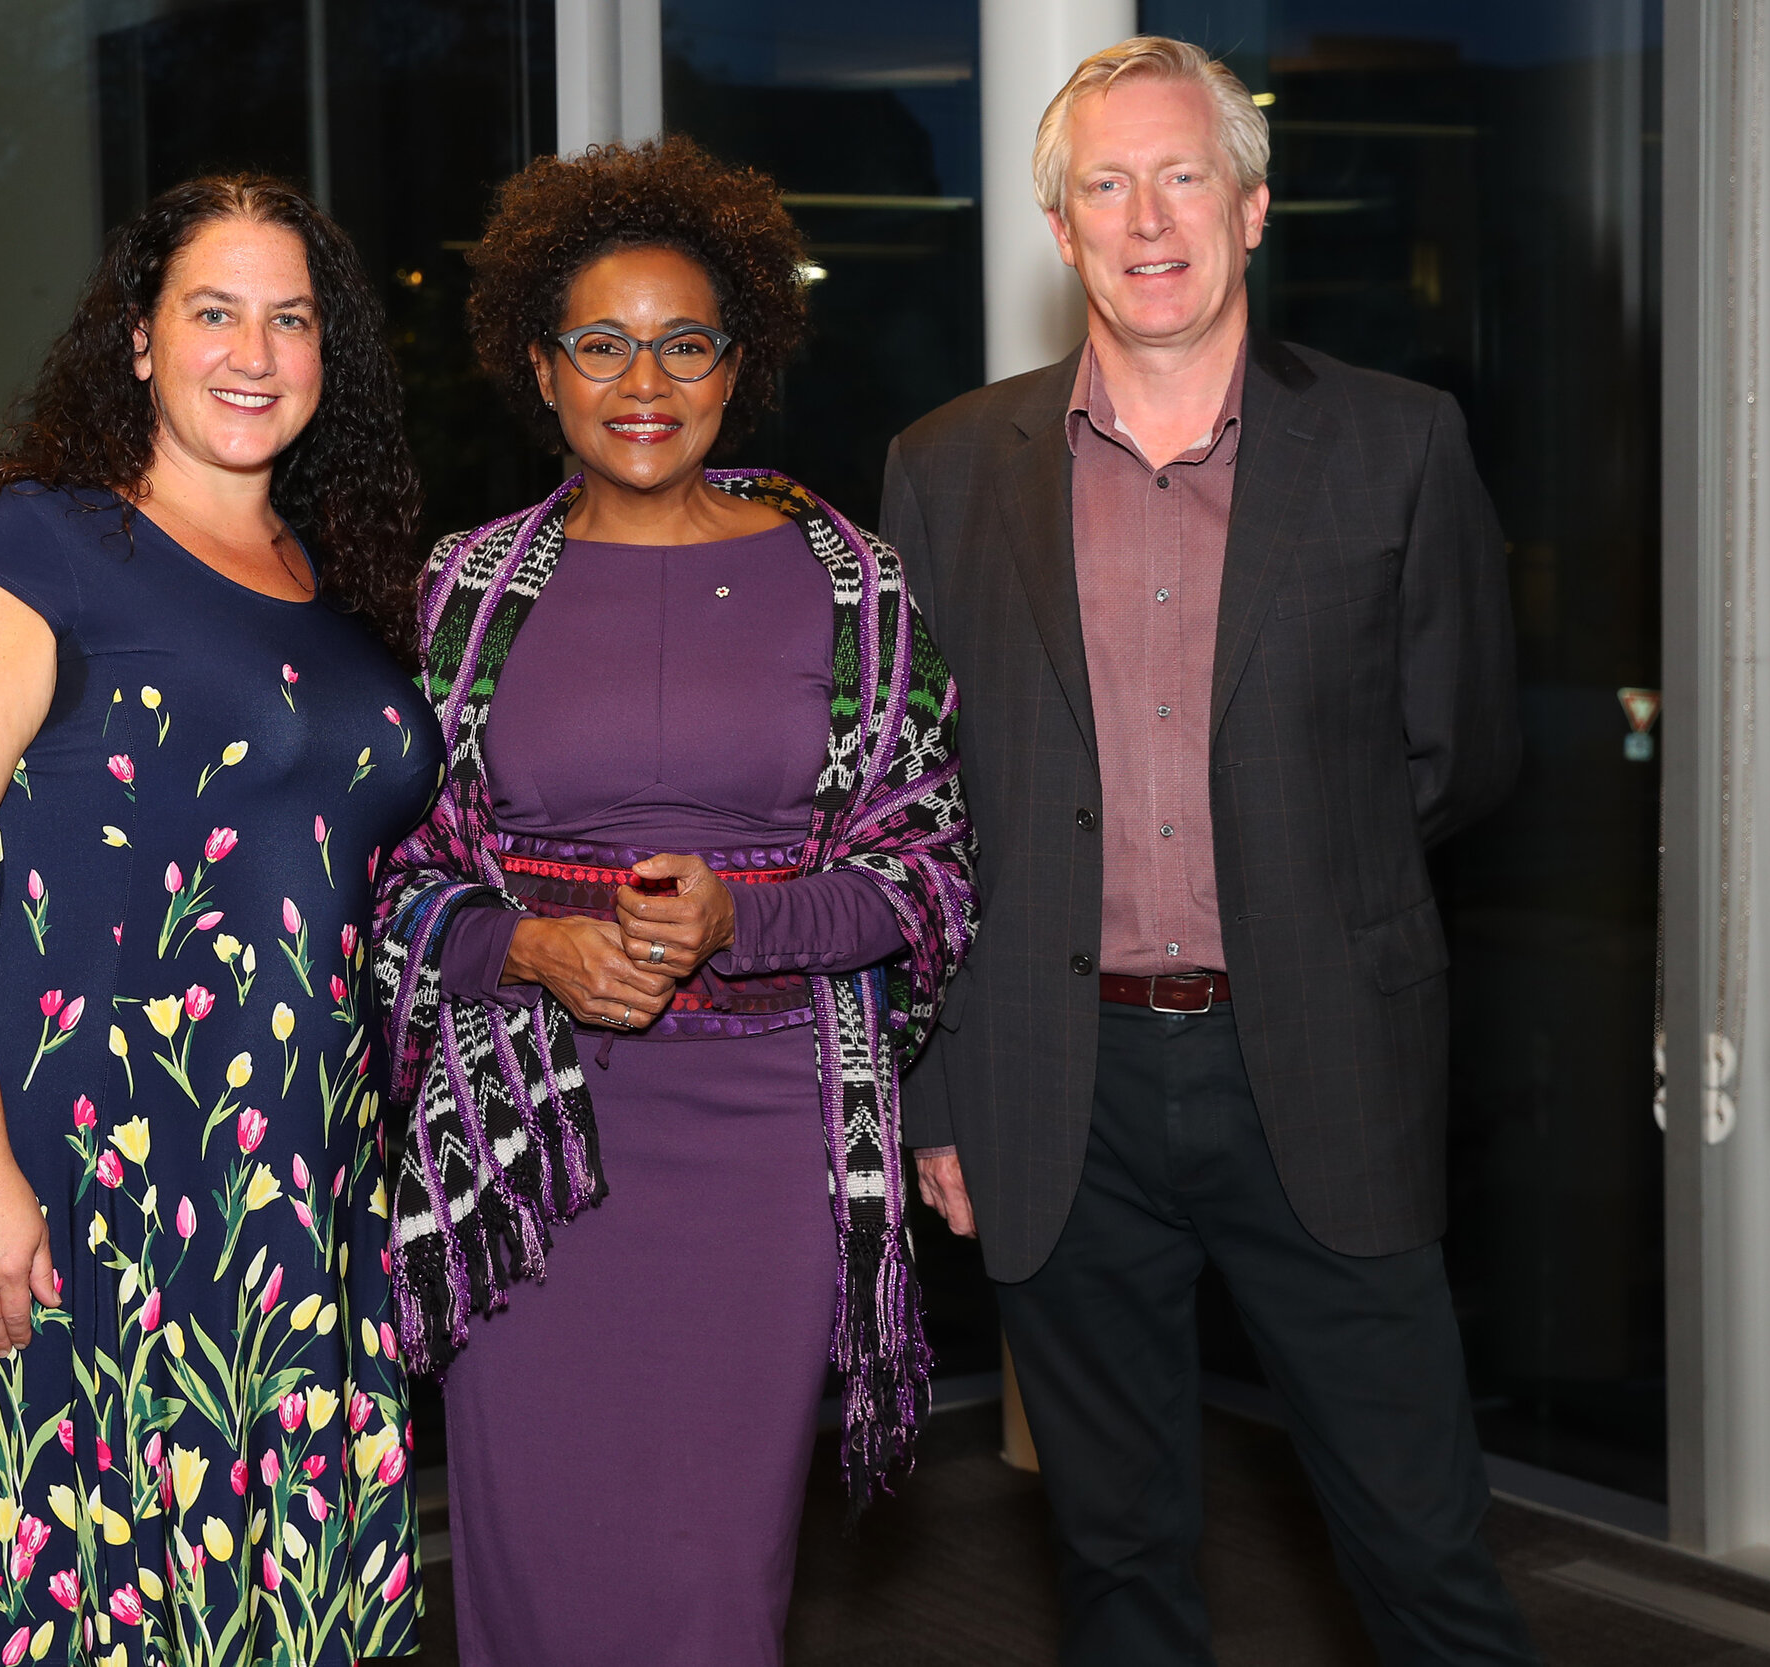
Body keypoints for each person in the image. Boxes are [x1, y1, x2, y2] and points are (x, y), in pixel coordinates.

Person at [884, 38, 1537, 1667]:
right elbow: (916, 804)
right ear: (1061, 228)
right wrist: (940, 1094)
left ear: (1251, 209)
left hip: (1315, 1059)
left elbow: (1453, 757)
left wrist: (1306, 887)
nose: (1147, 217)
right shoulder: (946, 468)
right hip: (1058, 1090)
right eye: (1106, 183)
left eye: (1183, 176)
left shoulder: (1399, 443)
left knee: (1424, 1558)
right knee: (1116, 1567)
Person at [370, 137, 974, 1667]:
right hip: (528, 1143)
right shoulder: (465, 588)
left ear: (739, 360)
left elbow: (927, 870)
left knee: (712, 1581)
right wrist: (533, 947)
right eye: (602, 342)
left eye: (686, 341)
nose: (645, 377)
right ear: (541, 366)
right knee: (530, 1562)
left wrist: (739, 925)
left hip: (767, 1140)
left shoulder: (852, 584)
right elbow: (392, 878)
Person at [0, 174, 435, 1665]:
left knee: (279, 1604)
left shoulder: (338, 580)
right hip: (86, 1178)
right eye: (214, 311)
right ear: (136, 338)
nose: (254, 352)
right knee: (90, 1604)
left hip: (302, 1188)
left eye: (290, 319)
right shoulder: (30, 547)